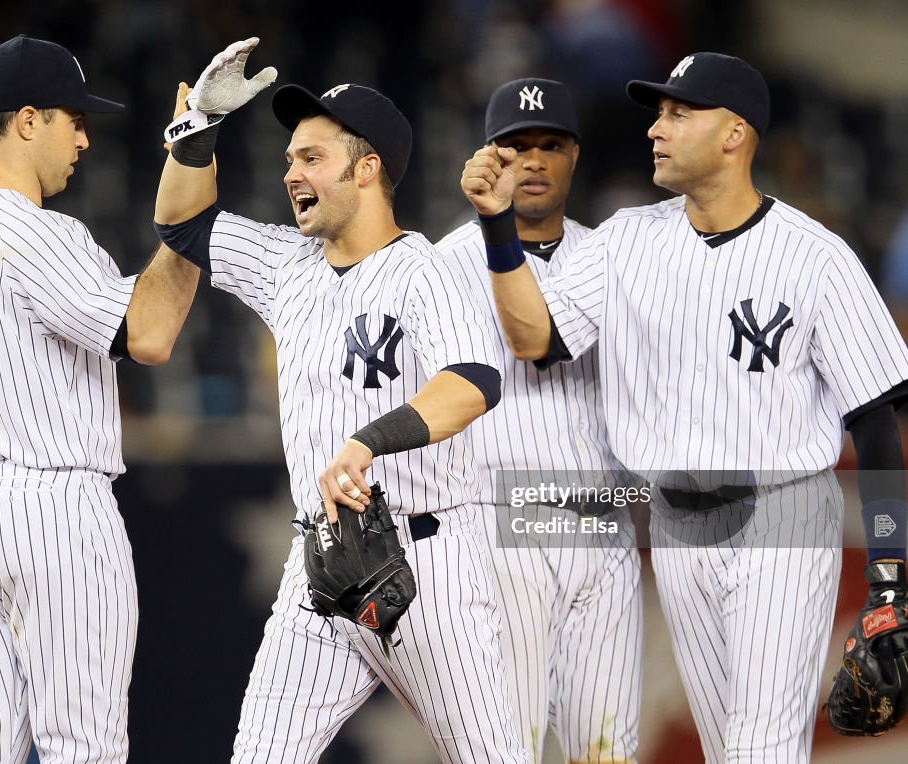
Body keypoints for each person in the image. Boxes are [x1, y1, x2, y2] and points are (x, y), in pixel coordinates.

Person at [460, 51, 908, 762]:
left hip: (783, 516)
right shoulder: (626, 240)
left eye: (678, 113)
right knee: (729, 747)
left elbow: (876, 425)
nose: (655, 130)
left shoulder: (815, 256)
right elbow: (533, 339)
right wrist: (495, 228)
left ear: (733, 134)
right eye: (658, 113)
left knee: (761, 748)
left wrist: (889, 574)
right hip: (676, 519)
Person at [155, 38, 528, 763]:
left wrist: (369, 440)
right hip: (318, 566)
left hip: (427, 563)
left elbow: (474, 383)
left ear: (367, 170)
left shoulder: (425, 271)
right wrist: (194, 133)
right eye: (291, 157)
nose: (291, 171)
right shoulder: (286, 264)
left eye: (312, 158)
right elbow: (182, 224)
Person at [0, 35, 200, 762]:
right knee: (83, 748)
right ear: (27, 120)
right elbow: (150, 333)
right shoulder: (35, 231)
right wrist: (190, 217)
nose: (85, 137)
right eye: (73, 118)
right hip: (50, 508)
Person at [436, 78, 641, 763]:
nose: (532, 159)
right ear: (487, 156)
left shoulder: (612, 253)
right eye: (515, 145)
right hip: (495, 528)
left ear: (573, 155)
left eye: (549, 143)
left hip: (600, 523)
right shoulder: (444, 263)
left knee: (607, 750)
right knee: (502, 748)